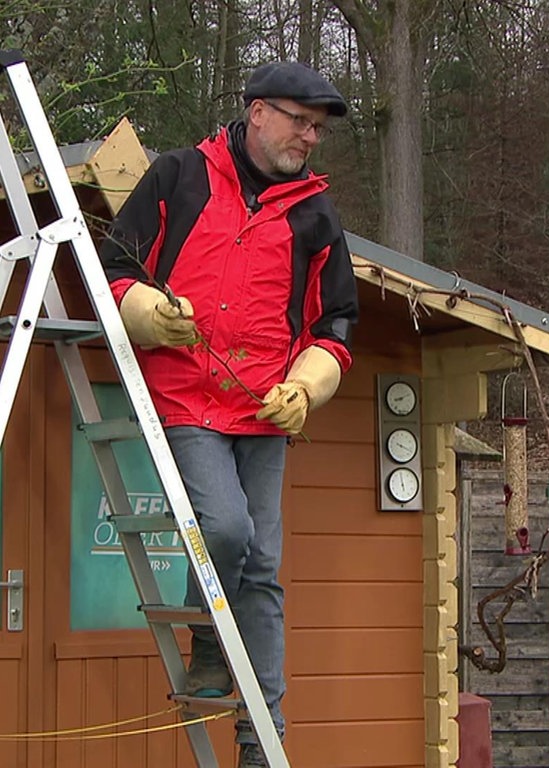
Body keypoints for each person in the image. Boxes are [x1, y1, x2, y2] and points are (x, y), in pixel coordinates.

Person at [99, 61, 358, 768]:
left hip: (265, 411)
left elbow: (335, 323)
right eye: (300, 122)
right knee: (226, 528)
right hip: (184, 396)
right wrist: (147, 312)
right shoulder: (176, 176)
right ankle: (212, 642)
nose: (309, 136)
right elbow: (112, 266)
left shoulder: (317, 215)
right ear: (257, 112)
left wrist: (305, 386)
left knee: (264, 568)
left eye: (318, 128)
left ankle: (259, 742)